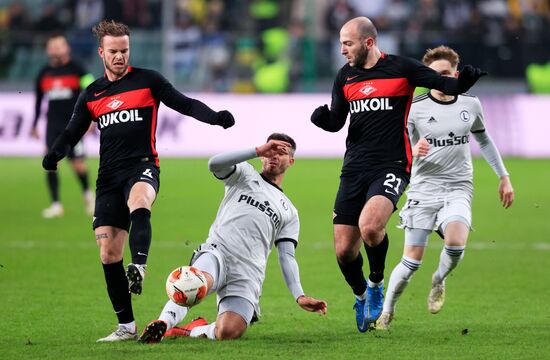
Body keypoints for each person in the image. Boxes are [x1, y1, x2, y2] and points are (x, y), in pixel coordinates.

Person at [42, 20, 235, 342]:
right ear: (102, 53)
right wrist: (55, 154)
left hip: (143, 166)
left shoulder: (148, 81)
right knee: (108, 254)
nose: (120, 57)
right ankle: (126, 327)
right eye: (114, 52)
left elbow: (184, 103)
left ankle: (140, 267)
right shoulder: (92, 94)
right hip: (107, 178)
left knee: (140, 200)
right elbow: (71, 131)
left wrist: (215, 117)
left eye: (125, 51)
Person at [310, 16, 487, 332]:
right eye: (340, 44)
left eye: (347, 44)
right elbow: (338, 120)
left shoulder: (402, 68)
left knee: (371, 228)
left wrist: (462, 84)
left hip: (392, 165)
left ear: (368, 42)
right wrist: (322, 120)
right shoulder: (345, 77)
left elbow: (443, 84)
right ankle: (362, 294)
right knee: (343, 250)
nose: (342, 50)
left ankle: (376, 284)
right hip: (354, 168)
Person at [138, 134, 327, 343]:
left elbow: (287, 256)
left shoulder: (290, 211)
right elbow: (213, 164)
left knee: (228, 332)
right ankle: (163, 323)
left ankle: (191, 330)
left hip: (248, 273)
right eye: (270, 150)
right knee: (197, 283)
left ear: (291, 161)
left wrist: (299, 295)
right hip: (218, 252)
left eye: (281, 152)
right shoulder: (244, 173)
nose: (274, 155)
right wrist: (256, 149)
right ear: (262, 156)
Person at [377, 46, 514, 329]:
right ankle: (387, 312)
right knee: (411, 262)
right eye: (435, 74)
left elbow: (484, 141)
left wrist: (504, 176)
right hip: (423, 188)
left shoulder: (471, 104)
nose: (442, 79)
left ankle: (438, 280)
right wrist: (414, 150)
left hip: (458, 186)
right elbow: (396, 150)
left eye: (447, 74)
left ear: (456, 74)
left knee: (455, 244)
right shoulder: (414, 108)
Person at [32, 33, 95, 218]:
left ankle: (87, 195)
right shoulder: (43, 73)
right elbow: (38, 101)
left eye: (59, 45)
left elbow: (92, 92)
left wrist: (91, 118)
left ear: (67, 47)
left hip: (74, 125)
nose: (56, 49)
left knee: (78, 164)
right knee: (51, 163)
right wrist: (35, 124)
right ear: (47, 50)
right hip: (52, 125)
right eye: (52, 46)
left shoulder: (78, 69)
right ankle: (56, 204)